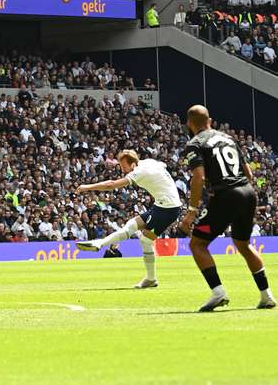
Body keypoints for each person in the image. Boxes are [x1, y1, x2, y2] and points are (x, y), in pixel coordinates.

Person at [178, 105, 275, 312]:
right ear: (210, 121)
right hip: (247, 193)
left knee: (197, 243)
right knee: (244, 245)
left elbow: (199, 177)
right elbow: (248, 172)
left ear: (190, 124)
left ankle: (218, 292)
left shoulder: (194, 144)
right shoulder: (228, 138)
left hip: (226, 196)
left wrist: (192, 211)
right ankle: (267, 295)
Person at [76, 150, 182, 288]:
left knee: (141, 236)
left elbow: (111, 185)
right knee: (136, 230)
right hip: (163, 205)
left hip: (167, 209)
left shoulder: (139, 172)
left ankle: (100, 243)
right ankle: (151, 279)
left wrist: (87, 187)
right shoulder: (149, 162)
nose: (122, 169)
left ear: (132, 164)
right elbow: (163, 165)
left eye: (124, 166)